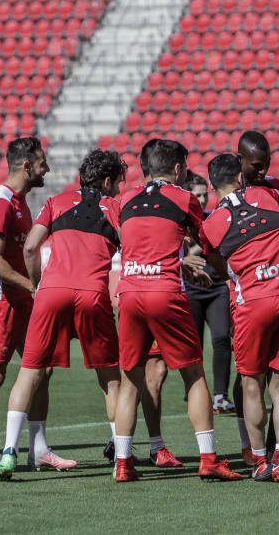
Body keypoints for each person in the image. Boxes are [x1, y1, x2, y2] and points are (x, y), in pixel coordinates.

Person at [0, 150, 129, 480]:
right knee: (110, 377)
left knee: (28, 371)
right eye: (118, 185)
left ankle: (9, 452)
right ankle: (121, 456)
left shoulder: (56, 201)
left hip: (51, 293)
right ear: (107, 181)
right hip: (91, 293)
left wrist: (37, 284)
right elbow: (132, 248)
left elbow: (30, 247)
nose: (119, 192)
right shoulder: (114, 209)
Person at [112, 139, 241, 482]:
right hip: (164, 292)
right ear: (180, 168)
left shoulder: (125, 199)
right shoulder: (183, 198)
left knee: (130, 380)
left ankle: (123, 463)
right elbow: (209, 242)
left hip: (130, 291)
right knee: (194, 374)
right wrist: (230, 271)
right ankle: (209, 459)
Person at [0, 137, 68, 476]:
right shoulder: (1, 203)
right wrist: (32, 287)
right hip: (0, 300)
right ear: (26, 166)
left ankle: (37, 450)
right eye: (42, 163)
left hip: (21, 298)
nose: (47, 168)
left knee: (42, 367)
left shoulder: (19, 202)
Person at [200, 154, 279, 482]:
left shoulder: (211, 223)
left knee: (251, 385)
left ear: (212, 185)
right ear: (241, 177)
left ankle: (260, 460)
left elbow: (218, 263)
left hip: (254, 302)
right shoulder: (267, 195)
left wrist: (238, 276)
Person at [102, 139, 178, 466]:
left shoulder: (130, 200)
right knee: (144, 375)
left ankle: (136, 451)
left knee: (147, 374)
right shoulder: (162, 198)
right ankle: (134, 447)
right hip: (156, 288)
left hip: (139, 290)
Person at [183, 172, 235, 414]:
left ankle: (220, 396)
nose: (202, 199)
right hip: (192, 289)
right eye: (197, 195)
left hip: (216, 287)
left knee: (222, 338)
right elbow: (183, 254)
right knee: (193, 344)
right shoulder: (181, 224)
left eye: (205, 194)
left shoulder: (215, 218)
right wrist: (200, 241)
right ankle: (194, 390)